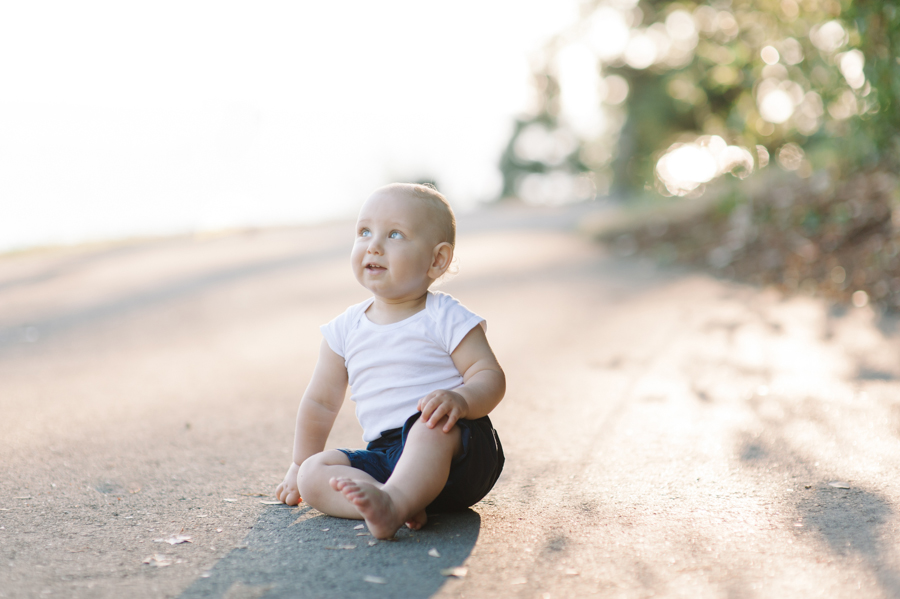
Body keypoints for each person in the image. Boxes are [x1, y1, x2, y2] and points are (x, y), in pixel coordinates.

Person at [274, 182, 505, 540]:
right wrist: (297, 464)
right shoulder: (344, 329)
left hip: (456, 450)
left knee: (428, 426)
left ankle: (396, 502)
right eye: (364, 231)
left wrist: (460, 400)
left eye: (395, 234)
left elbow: (489, 376)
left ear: (437, 260)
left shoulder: (445, 316)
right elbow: (320, 403)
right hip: (386, 457)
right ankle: (385, 501)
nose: (374, 245)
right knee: (314, 471)